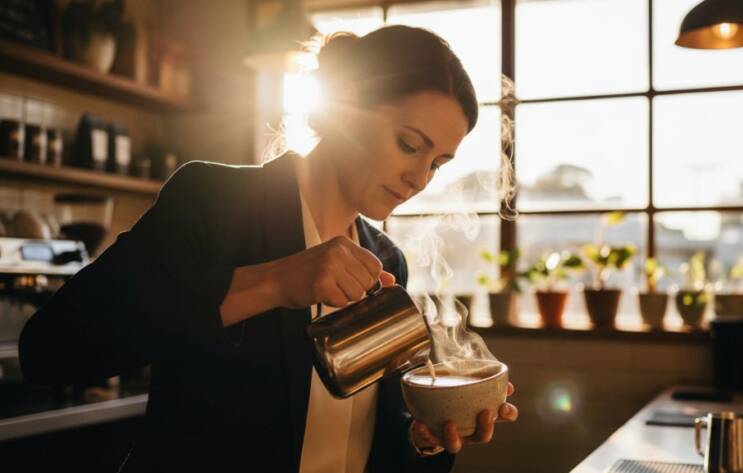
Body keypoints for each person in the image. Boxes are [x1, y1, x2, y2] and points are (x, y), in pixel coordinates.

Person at [18, 25, 518, 473]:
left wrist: (423, 439)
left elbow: (368, 440)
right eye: (409, 144)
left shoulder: (386, 260)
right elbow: (52, 350)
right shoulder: (214, 201)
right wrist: (274, 282)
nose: (419, 179)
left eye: (438, 164)